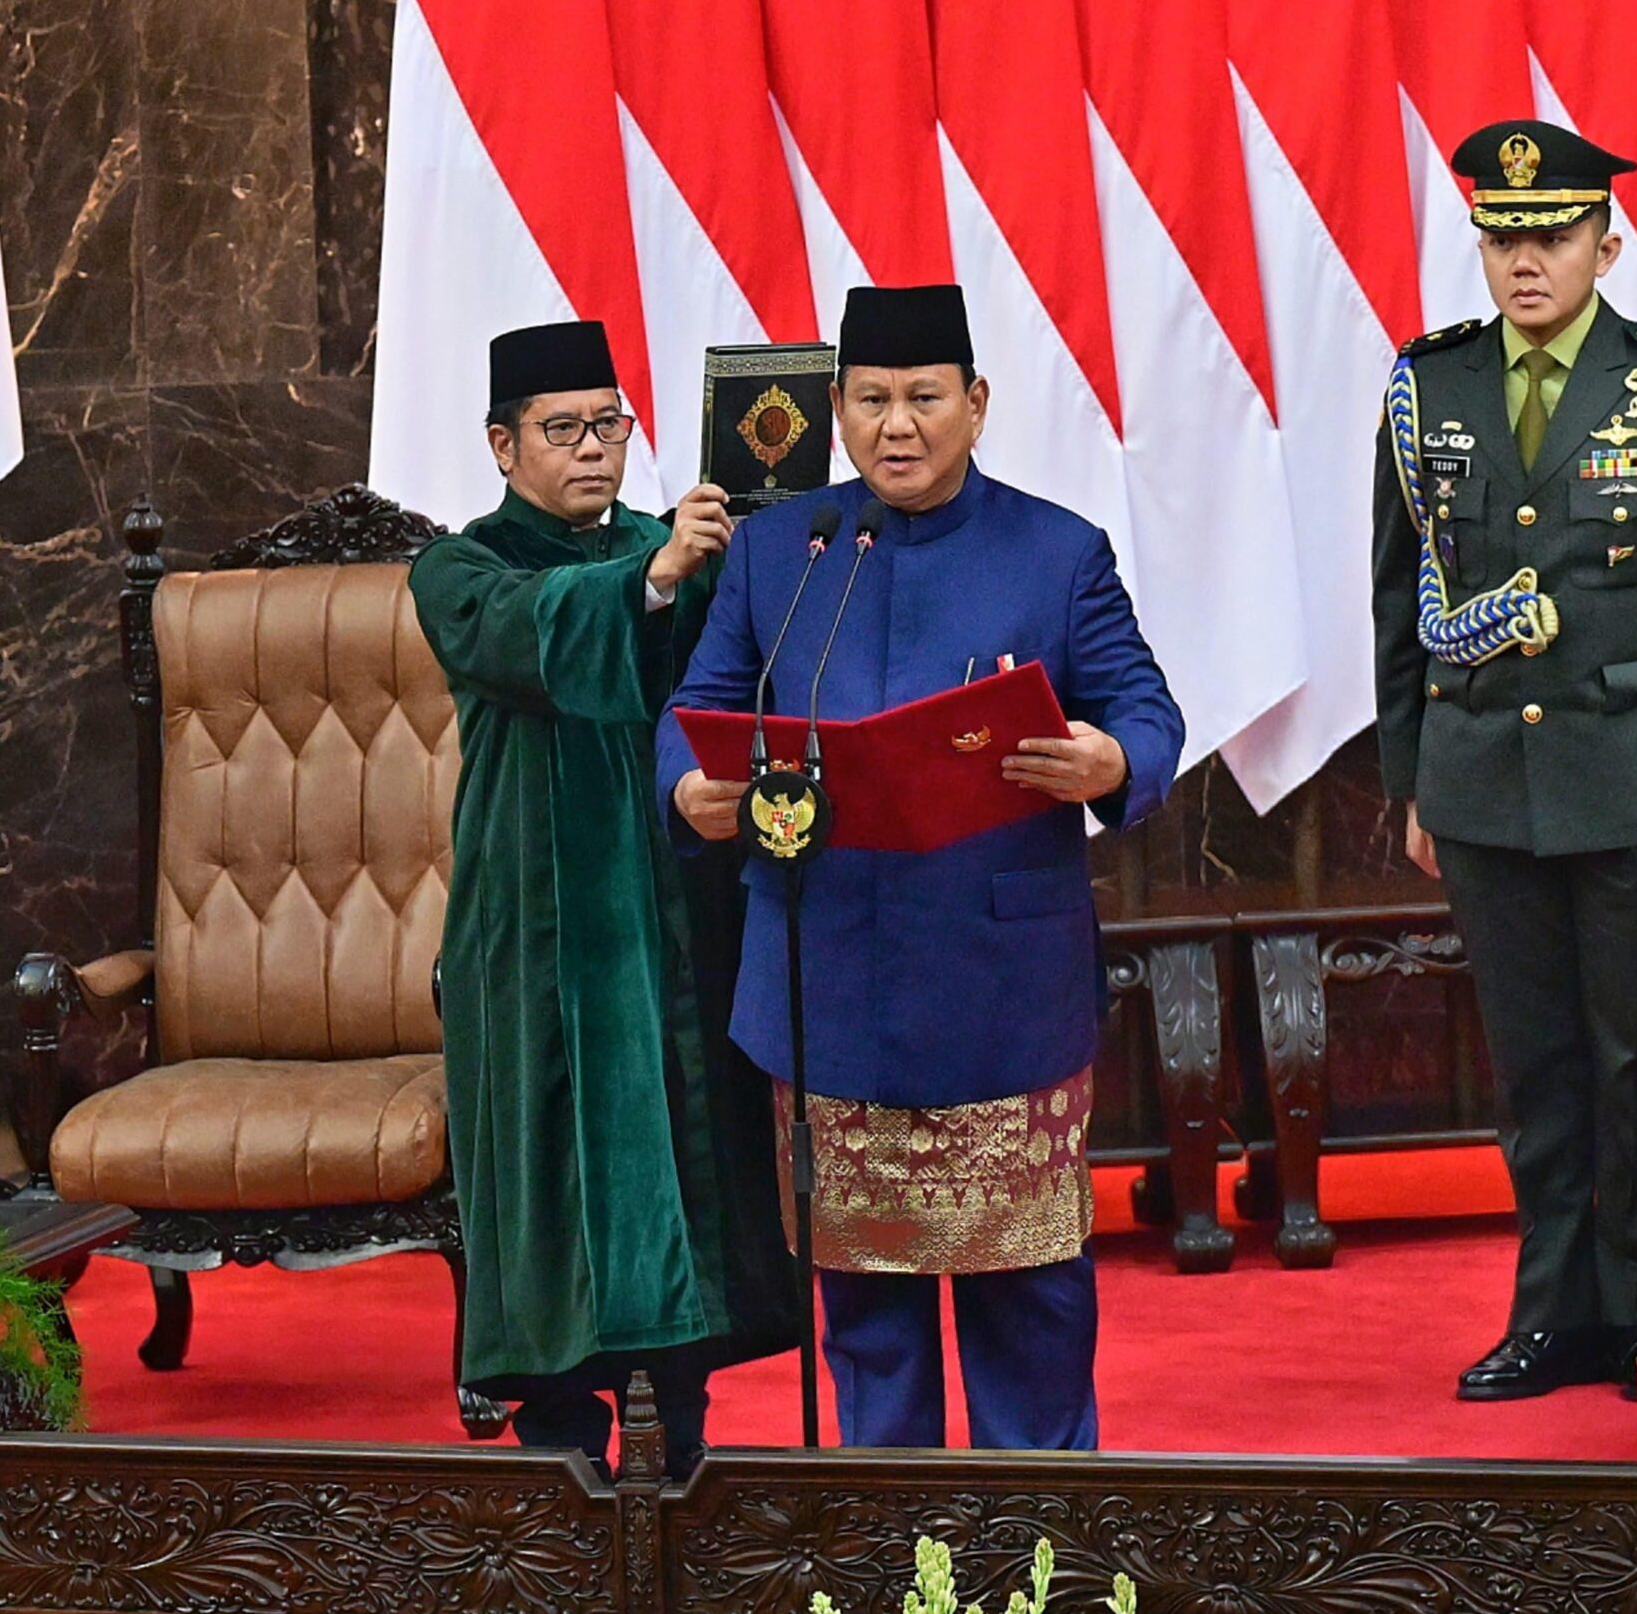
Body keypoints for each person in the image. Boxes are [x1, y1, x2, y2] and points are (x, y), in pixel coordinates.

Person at [657, 284, 1184, 1450]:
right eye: (872, 400)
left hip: (1000, 986)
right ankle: (891, 1572)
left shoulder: (1056, 553)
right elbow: (695, 705)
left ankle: (1036, 1574)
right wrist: (686, 788)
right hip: (829, 975)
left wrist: (1106, 760)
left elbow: (1147, 718)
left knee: (1029, 1307)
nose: (898, 427)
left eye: (924, 400)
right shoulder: (775, 549)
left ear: (976, 405)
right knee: (868, 1319)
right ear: (835, 409)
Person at [1371, 121, 1637, 1402]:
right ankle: (1549, 1314)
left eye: (1550, 237)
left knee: (1634, 1056)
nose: (1525, 262)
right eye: (1502, 238)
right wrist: (1411, 775)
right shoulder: (1429, 388)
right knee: (1532, 1067)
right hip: (1483, 777)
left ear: (1606, 241)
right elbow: (1395, 596)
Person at [408, 319, 802, 1478]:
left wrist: (753, 545)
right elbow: (532, 634)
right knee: (543, 1175)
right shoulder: (462, 567)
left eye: (610, 424)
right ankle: (557, 1464)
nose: (594, 449)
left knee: (684, 1159)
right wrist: (656, 575)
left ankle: (680, 1449)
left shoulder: (669, 541)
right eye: (562, 429)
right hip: (528, 926)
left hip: (673, 914)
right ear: (501, 443)